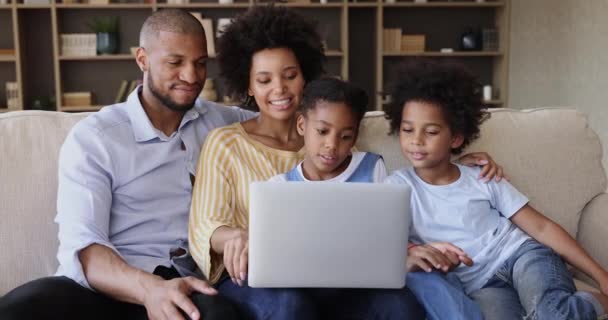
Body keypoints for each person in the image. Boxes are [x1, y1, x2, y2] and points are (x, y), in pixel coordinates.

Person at [188, 6, 500, 319]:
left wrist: (457, 160)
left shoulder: (333, 141)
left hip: (339, 274)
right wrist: (234, 236)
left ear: (305, 77)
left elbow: (394, 183)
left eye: (290, 76)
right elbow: (204, 225)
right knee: (289, 305)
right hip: (256, 277)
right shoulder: (225, 143)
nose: (279, 89)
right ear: (248, 86)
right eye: (264, 79)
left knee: (398, 306)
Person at [0, 9, 254, 320]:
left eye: (200, 64)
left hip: (183, 286)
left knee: (215, 314)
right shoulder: (96, 138)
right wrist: (149, 289)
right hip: (108, 284)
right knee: (22, 307)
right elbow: (86, 248)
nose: (191, 76)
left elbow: (283, 124)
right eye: (175, 63)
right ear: (143, 60)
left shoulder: (222, 122)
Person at [383, 59, 608, 320]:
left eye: (431, 131)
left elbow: (541, 227)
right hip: (480, 285)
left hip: (522, 255)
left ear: (455, 138)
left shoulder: (481, 175)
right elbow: (386, 241)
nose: (416, 140)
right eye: (407, 129)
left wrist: (599, 274)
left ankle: (598, 301)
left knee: (551, 314)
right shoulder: (396, 187)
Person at [270, 77, 483, 320]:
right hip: (307, 291)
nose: (331, 145)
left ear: (356, 135)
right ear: (301, 125)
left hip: (362, 291)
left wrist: (411, 251)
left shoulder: (371, 167)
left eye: (346, 136)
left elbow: (387, 235)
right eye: (322, 131)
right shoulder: (279, 187)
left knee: (402, 307)